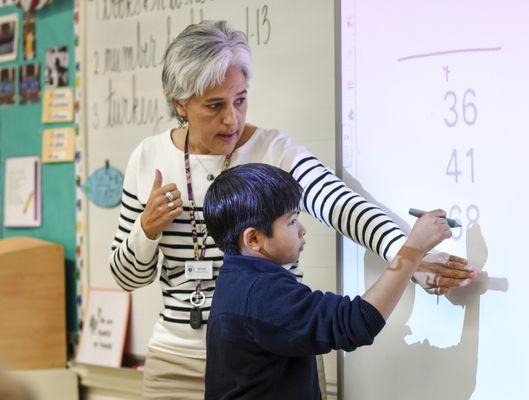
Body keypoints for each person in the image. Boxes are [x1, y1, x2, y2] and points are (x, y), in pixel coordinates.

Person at [108, 20, 475, 399]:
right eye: (214, 106)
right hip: (176, 362)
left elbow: (341, 205)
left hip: (273, 359)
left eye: (240, 99)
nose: (232, 118)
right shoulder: (149, 158)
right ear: (180, 104)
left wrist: (408, 255)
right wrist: (146, 230)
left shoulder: (274, 150)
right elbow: (126, 277)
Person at [202, 163, 458, 399]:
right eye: (291, 221)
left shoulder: (237, 279)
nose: (302, 229)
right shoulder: (261, 293)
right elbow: (358, 321)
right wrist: (413, 247)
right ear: (254, 239)